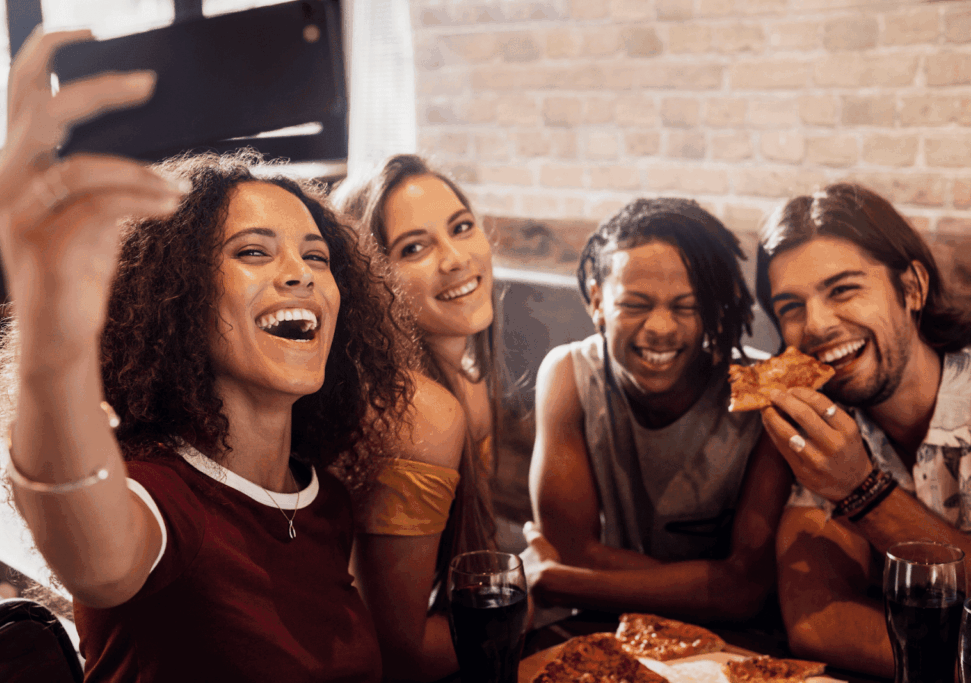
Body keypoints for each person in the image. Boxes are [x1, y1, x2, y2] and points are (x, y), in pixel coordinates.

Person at [0, 28, 413, 682]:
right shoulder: (164, 498)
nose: (300, 274)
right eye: (254, 251)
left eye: (316, 256)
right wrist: (51, 325)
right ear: (177, 300)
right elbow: (93, 554)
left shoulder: (325, 501)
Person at [523, 198, 792, 623]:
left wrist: (570, 583)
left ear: (715, 312)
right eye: (635, 304)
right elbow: (569, 548)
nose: (661, 328)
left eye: (686, 306)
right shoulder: (569, 375)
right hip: (608, 635)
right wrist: (710, 587)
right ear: (597, 302)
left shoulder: (764, 394)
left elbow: (746, 589)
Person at [755, 182, 971, 676]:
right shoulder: (821, 427)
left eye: (843, 290)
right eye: (791, 307)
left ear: (912, 288)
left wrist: (861, 490)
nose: (816, 325)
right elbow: (818, 623)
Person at [332, 155, 499, 680]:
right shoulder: (412, 412)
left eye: (462, 227)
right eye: (414, 248)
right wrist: (529, 602)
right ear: (368, 281)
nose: (454, 259)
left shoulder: (468, 382)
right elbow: (397, 655)